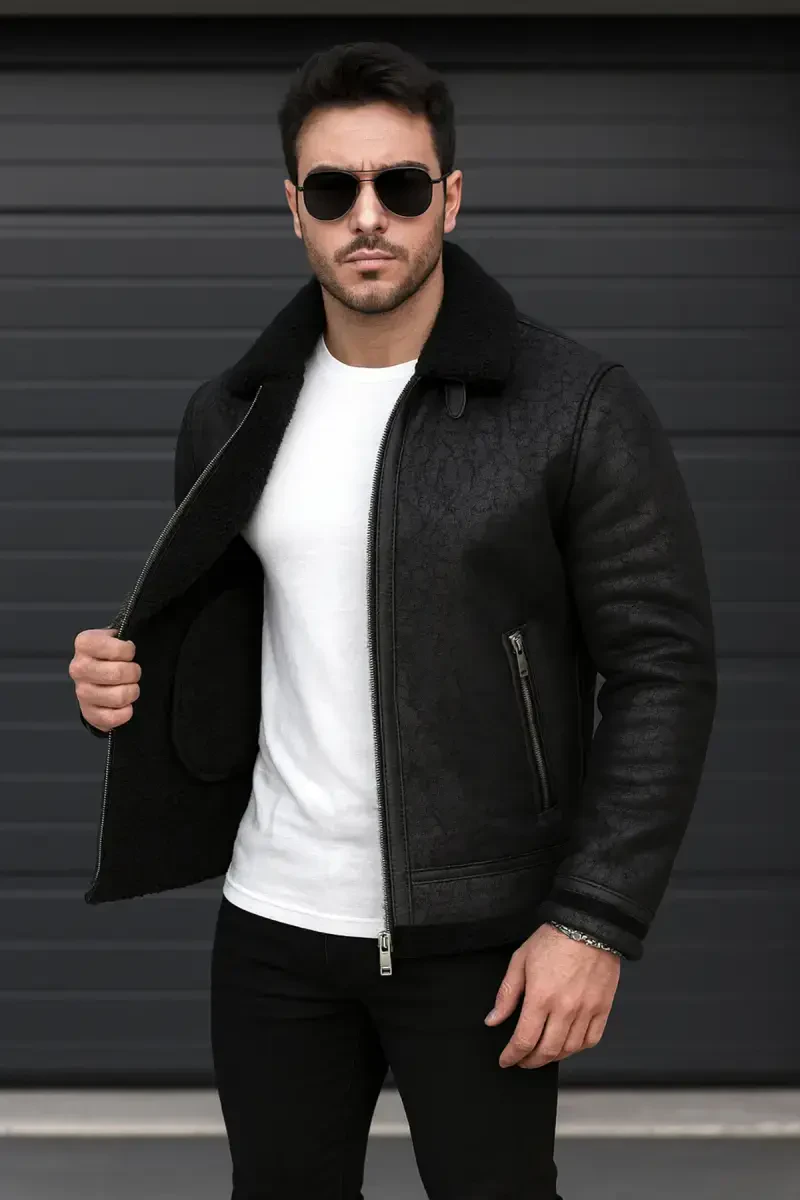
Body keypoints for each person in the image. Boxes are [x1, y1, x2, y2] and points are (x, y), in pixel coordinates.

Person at [69, 40, 717, 1200]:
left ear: (448, 198)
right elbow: (226, 648)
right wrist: (121, 685)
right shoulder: (230, 412)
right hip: (271, 924)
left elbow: (662, 670)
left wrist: (593, 921)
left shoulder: (569, 406)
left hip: (481, 933)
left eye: (400, 185)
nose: (367, 217)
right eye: (333, 190)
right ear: (294, 210)